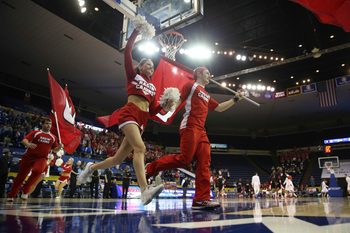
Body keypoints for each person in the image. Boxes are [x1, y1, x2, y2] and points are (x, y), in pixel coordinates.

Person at [77, 17, 173, 205]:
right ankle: (145, 190)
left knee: (117, 160)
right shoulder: (133, 76)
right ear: (140, 67)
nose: (150, 67)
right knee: (141, 148)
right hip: (129, 114)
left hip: (143, 120)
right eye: (147, 64)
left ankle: (90, 168)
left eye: (152, 66)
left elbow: (153, 111)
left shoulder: (153, 88)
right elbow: (127, 52)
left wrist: (165, 106)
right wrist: (137, 31)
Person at [145, 66, 242, 209]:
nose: (210, 75)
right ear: (199, 74)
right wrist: (168, 109)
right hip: (190, 126)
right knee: (185, 159)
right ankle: (151, 168)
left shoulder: (206, 94)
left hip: (201, 130)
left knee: (205, 162)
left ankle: (200, 199)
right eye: (208, 73)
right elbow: (179, 101)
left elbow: (220, 108)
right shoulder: (191, 85)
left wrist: (235, 100)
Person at [7, 118, 63, 201]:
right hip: (28, 157)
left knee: (37, 171)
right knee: (20, 177)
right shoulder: (36, 133)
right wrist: (28, 144)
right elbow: (24, 140)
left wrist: (59, 147)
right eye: (47, 123)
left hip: (42, 158)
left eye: (50, 124)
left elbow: (55, 150)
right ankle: (11, 195)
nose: (48, 125)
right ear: (42, 124)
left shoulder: (53, 137)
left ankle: (25, 190)